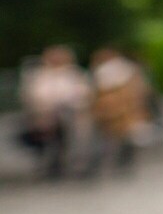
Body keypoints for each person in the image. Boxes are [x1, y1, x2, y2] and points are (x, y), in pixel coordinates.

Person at [20, 46, 90, 180]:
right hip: (44, 114)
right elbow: (34, 96)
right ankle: (50, 159)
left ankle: (67, 160)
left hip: (69, 113)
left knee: (71, 126)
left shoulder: (73, 74)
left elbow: (81, 95)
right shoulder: (40, 76)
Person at [86, 48, 151, 177]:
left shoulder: (124, 73)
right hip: (114, 113)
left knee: (123, 137)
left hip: (122, 112)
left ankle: (121, 162)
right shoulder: (113, 75)